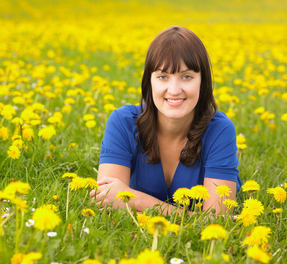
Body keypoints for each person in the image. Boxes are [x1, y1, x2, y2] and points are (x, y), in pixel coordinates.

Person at [90, 26, 241, 215]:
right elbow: (107, 202)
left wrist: (137, 200)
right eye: (163, 77)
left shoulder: (220, 130)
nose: (174, 89)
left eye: (187, 77)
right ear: (149, 82)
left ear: (203, 83)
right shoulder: (122, 123)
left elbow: (218, 220)